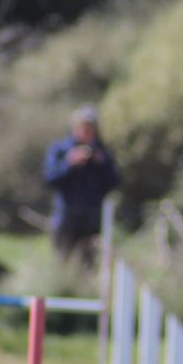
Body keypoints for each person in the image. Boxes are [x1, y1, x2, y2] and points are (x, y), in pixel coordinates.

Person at [43, 106, 120, 264]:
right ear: (74, 128)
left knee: (88, 264)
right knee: (62, 262)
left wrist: (102, 164)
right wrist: (69, 163)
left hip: (92, 219)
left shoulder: (103, 153)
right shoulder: (60, 150)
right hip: (66, 217)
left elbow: (114, 183)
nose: (86, 132)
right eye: (82, 127)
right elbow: (49, 179)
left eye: (90, 128)